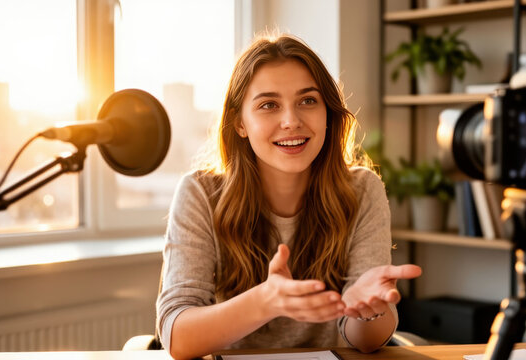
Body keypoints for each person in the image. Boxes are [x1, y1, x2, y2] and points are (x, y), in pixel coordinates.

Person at [156, 34, 422, 359]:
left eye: (308, 101)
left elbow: (365, 341)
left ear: (328, 112)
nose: (291, 121)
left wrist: (368, 310)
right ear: (240, 122)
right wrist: (267, 301)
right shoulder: (200, 193)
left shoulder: (362, 189)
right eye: (269, 105)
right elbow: (177, 337)